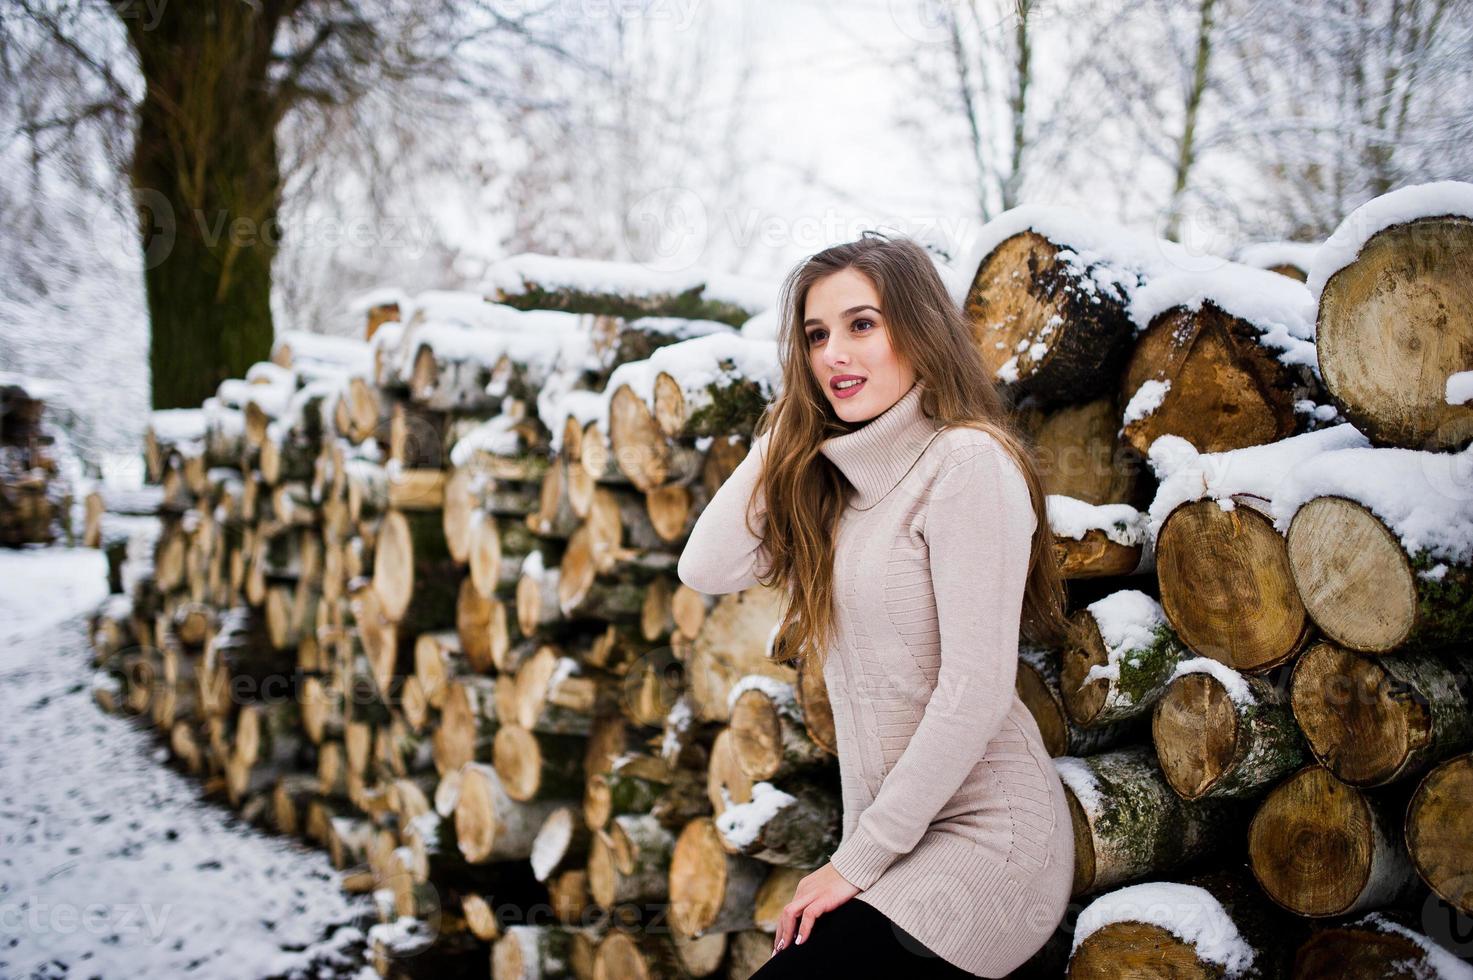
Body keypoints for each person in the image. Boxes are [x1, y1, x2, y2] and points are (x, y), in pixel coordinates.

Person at [676, 232, 1077, 978]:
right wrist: (788, 423)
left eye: (861, 325)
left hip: (987, 844)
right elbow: (705, 566)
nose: (833, 353)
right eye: (815, 336)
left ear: (919, 330)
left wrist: (854, 862)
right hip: (894, 844)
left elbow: (974, 690)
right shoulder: (835, 492)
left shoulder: (965, 464)